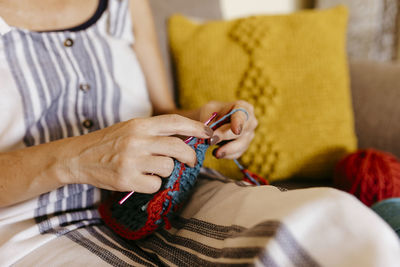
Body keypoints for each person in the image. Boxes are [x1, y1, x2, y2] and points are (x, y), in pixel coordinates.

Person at [0, 0, 399, 266]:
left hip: (171, 199)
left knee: (334, 223)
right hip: (30, 229)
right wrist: (75, 158)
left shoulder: (125, 4)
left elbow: (160, 110)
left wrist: (204, 119)